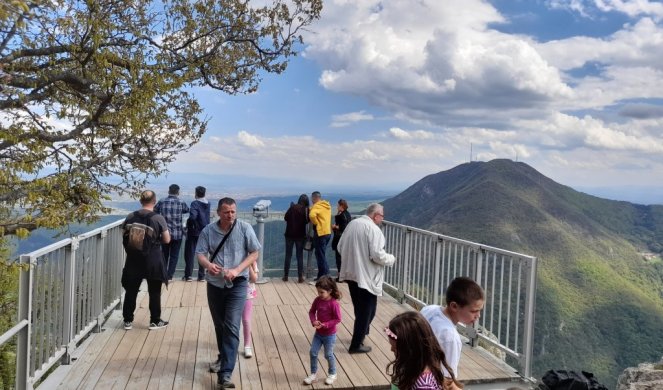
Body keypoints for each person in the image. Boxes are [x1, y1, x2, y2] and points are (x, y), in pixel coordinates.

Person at [196, 197, 261, 389]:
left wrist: (238, 269)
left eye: (233, 211)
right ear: (218, 213)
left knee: (232, 325)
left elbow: (255, 252)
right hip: (215, 284)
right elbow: (199, 253)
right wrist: (208, 265)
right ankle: (223, 357)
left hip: (238, 283)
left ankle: (225, 374)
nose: (230, 215)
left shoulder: (245, 228)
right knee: (220, 325)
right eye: (226, 212)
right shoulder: (208, 231)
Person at [338, 203, 395, 354]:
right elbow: (377, 255)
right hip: (366, 277)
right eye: (382, 216)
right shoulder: (374, 230)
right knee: (368, 311)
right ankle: (356, 344)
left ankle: (361, 333)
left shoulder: (353, 224)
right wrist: (391, 259)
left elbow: (340, 246)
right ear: (376, 216)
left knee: (359, 308)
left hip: (351, 273)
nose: (382, 219)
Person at [121, 190, 171, 330]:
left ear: (141, 201)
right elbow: (167, 240)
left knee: (131, 290)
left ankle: (127, 321)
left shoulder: (130, 216)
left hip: (133, 259)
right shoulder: (158, 218)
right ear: (154, 201)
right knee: (154, 291)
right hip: (153, 260)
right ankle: (155, 321)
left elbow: (124, 234)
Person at [420, 277, 485, 379]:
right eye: (473, 311)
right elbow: (448, 379)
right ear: (454, 306)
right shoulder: (450, 337)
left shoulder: (429, 309)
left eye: (480, 310)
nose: (478, 315)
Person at [385, 311, 463, 390]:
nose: (391, 349)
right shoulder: (417, 366)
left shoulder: (424, 386)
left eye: (395, 348)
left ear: (411, 349)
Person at [303, 276, 342, 386]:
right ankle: (313, 374)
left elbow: (338, 319)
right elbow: (311, 312)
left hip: (330, 335)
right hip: (318, 334)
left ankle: (332, 373)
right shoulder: (318, 300)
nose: (319, 294)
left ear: (330, 291)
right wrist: (313, 321)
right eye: (318, 292)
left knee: (328, 354)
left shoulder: (333, 303)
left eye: (322, 292)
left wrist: (325, 325)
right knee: (313, 352)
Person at [155, 184, 189, 280]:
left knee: (164, 255)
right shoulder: (181, 202)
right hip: (177, 233)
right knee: (174, 256)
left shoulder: (162, 201)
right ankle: (169, 276)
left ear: (168, 191)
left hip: (164, 233)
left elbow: (155, 210)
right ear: (178, 192)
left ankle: (163, 274)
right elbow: (187, 210)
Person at [183, 185, 210, 282]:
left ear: (196, 193)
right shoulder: (208, 203)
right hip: (205, 231)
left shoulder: (195, 203)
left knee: (190, 253)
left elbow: (193, 216)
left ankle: (188, 276)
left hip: (194, 231)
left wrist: (188, 223)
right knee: (202, 253)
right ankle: (201, 276)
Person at [283, 194, 309, 283]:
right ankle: (300, 277)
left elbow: (285, 218)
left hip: (289, 235)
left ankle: (286, 276)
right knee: (299, 256)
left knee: (288, 255)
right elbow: (307, 221)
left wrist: (291, 208)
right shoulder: (305, 210)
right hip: (300, 236)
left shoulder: (292, 207)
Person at [309, 191, 332, 280]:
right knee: (320, 254)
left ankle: (326, 276)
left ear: (314, 198)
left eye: (312, 198)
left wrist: (316, 223)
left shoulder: (317, 206)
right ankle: (321, 276)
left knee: (320, 255)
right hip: (327, 232)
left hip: (320, 233)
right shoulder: (326, 205)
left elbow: (312, 215)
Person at [331, 198, 351, 281]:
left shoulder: (342, 215)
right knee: (344, 257)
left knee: (339, 257)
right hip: (346, 239)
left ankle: (340, 277)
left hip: (339, 238)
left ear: (341, 206)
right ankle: (345, 276)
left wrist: (335, 227)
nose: (337, 207)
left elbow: (343, 227)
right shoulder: (348, 214)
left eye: (338, 205)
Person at [242, 262, 258, 358]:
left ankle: (247, 345)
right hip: (234, 294)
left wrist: (247, 264)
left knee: (246, 320)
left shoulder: (252, 263)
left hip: (248, 294)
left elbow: (254, 279)